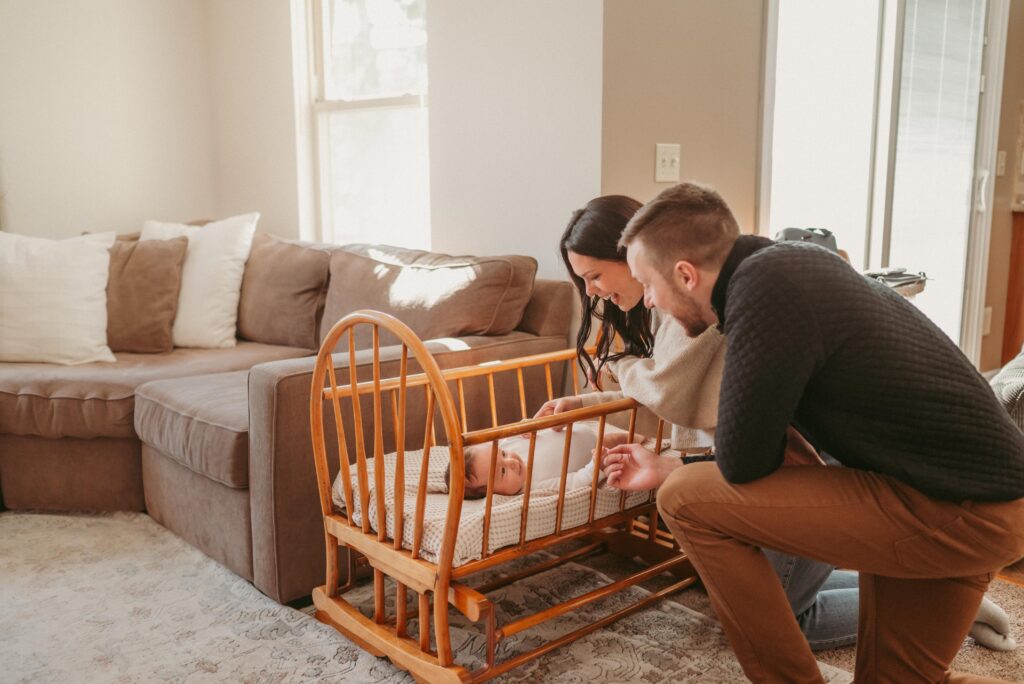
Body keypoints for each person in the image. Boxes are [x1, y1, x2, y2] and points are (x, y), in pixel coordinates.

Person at [541, 194, 1015, 655]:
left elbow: (739, 456)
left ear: (683, 274)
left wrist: (670, 464)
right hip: (947, 488)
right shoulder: (777, 267)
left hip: (961, 506)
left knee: (688, 503)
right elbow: (713, 416)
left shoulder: (761, 294)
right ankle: (935, 599)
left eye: (644, 282)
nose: (646, 298)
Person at [444, 422, 641, 498]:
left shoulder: (510, 444)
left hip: (574, 426)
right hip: (594, 450)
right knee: (617, 443)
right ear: (494, 494)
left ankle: (636, 437)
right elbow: (573, 482)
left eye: (503, 454)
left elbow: (525, 427)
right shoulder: (534, 486)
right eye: (502, 472)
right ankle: (644, 441)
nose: (511, 461)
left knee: (614, 434)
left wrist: (527, 426)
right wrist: (594, 466)